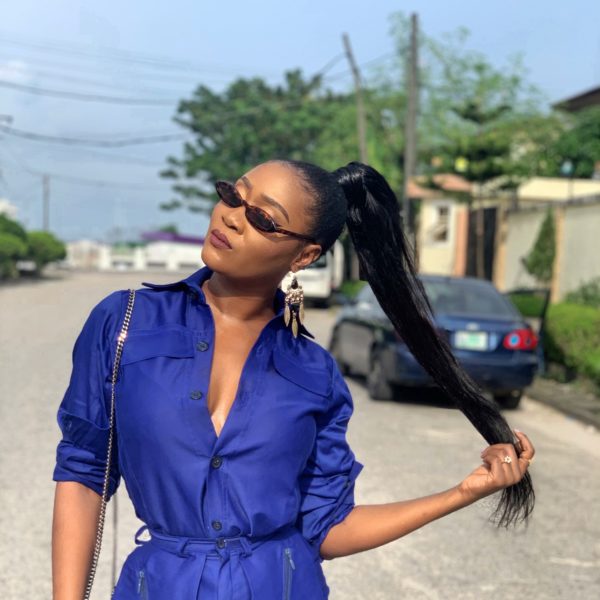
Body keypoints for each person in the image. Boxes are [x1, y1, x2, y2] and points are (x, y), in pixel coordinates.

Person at [51, 159, 536, 600]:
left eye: (262, 219)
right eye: (233, 195)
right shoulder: (126, 323)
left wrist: (462, 493)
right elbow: (84, 472)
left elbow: (326, 527)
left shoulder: (313, 372)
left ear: (304, 256)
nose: (231, 217)